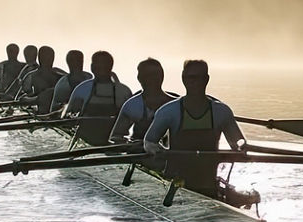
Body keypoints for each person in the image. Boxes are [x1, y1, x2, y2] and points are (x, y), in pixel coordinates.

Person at [142, 59, 254, 205]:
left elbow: (237, 141)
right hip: (175, 185)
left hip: (208, 185)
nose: (195, 82)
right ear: (183, 79)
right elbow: (149, 142)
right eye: (191, 78)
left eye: (200, 78)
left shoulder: (221, 112)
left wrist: (241, 146)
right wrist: (158, 151)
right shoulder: (168, 112)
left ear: (206, 79)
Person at [63, 50, 133, 144]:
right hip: (85, 142)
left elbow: (131, 120)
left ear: (111, 67)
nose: (101, 68)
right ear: (92, 68)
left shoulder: (123, 92)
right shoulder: (82, 89)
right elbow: (68, 118)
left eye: (104, 65)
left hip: (115, 143)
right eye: (98, 65)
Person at [109, 58, 177, 146]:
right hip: (138, 152)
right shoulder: (132, 105)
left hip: (170, 153)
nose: (152, 79)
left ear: (162, 76)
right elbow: (116, 137)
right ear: (139, 78)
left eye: (155, 74)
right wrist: (131, 143)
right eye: (147, 75)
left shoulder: (176, 105)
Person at [20, 45, 65, 113]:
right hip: (48, 111)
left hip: (50, 111)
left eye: (50, 57)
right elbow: (25, 95)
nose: (49, 59)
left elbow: (24, 97)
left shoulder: (32, 75)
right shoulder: (32, 75)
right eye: (47, 57)